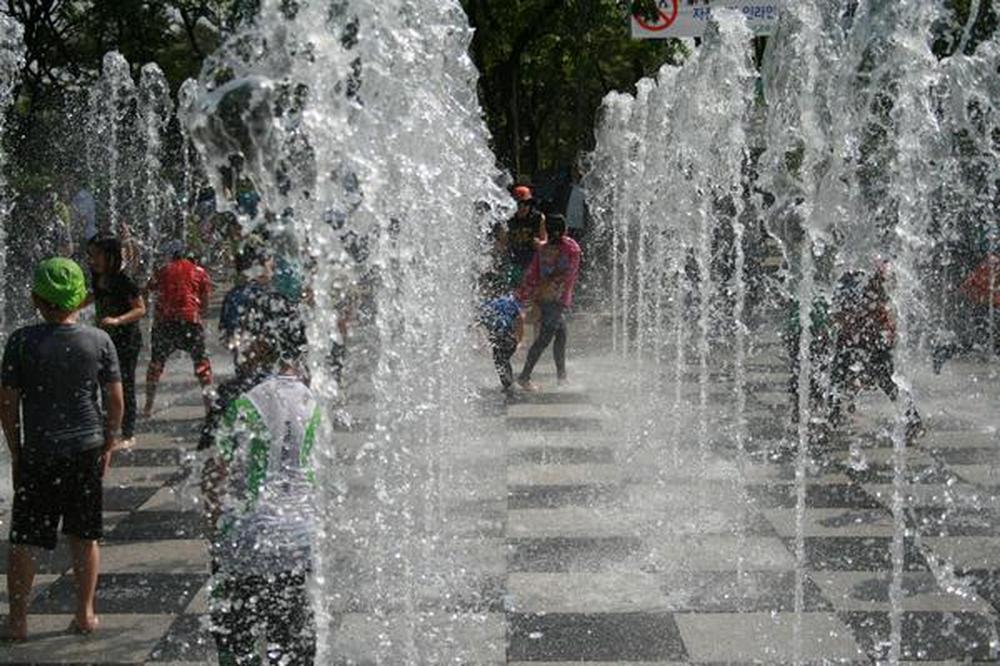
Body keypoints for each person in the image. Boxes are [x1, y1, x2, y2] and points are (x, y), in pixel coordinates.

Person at [1, 258, 123, 641]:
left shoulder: (20, 342)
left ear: (36, 299)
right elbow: (115, 397)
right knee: (84, 535)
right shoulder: (99, 340)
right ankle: (85, 614)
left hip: (39, 451)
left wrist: (16, 451)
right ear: (80, 300)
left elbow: (6, 402)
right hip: (86, 448)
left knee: (25, 538)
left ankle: (18, 620)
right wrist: (110, 440)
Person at [201, 291, 319, 665]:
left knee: (235, 636)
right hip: (301, 540)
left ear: (265, 341)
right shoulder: (314, 401)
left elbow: (214, 476)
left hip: (249, 539)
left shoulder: (244, 398)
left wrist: (213, 529)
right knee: (292, 641)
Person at [829, 264, 923, 440]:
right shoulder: (851, 269)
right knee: (839, 374)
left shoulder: (872, 269)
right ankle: (831, 417)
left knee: (885, 379)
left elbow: (886, 298)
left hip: (870, 334)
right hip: (857, 332)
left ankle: (913, 420)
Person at [87, 237, 147, 450]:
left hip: (126, 341)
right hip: (106, 339)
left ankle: (128, 433)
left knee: (125, 385)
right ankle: (107, 430)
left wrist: (117, 320)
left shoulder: (123, 281)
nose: (91, 260)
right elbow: (95, 296)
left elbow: (141, 308)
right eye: (90, 255)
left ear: (110, 256)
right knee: (104, 384)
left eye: (96, 255)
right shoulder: (98, 278)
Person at [144, 240, 214, 417]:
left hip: (165, 324)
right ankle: (209, 407)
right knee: (202, 365)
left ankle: (148, 406)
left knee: (156, 365)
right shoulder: (199, 271)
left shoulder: (162, 271)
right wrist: (201, 317)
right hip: (191, 322)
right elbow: (205, 302)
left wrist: (154, 310)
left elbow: (146, 289)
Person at [516, 214, 582, 391]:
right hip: (556, 301)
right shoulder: (571, 248)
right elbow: (570, 274)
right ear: (565, 229)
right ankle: (524, 377)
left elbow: (533, 272)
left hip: (546, 299)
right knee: (543, 340)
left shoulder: (543, 249)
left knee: (561, 335)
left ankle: (562, 377)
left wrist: (526, 292)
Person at [219, 236, 274, 368]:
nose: (272, 270)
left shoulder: (233, 296)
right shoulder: (268, 298)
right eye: (269, 265)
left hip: (245, 362)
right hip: (263, 365)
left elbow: (226, 334)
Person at [479, 294, 525, 395]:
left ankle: (508, 386)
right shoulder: (510, 301)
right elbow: (521, 318)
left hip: (498, 339)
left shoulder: (485, 305)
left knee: (499, 361)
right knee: (504, 361)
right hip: (511, 339)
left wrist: (481, 342)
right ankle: (509, 384)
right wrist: (520, 339)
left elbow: (478, 323)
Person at [502, 185, 547, 288]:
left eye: (527, 204)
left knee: (530, 286)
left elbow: (545, 241)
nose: (523, 207)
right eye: (519, 204)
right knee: (513, 286)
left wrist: (539, 244)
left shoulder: (538, 218)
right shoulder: (507, 219)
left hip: (531, 258)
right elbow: (502, 244)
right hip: (513, 258)